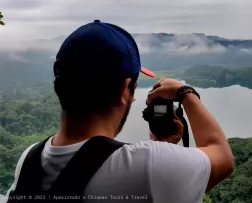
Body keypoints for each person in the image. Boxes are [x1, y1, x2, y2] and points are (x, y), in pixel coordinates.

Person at [5, 20, 234, 203]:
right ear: (125, 90)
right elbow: (222, 157)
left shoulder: (28, 161)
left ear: (59, 86)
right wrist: (186, 93)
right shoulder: (149, 165)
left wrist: (163, 147)